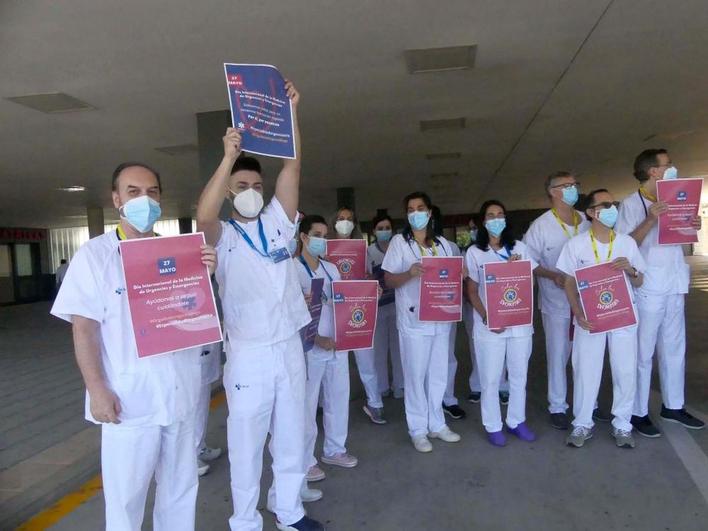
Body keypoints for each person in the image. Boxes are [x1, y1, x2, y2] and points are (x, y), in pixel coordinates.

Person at [51, 162, 215, 530]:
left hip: (180, 392)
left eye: (152, 192)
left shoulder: (181, 253)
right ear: (116, 199)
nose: (145, 199)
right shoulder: (95, 255)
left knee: (180, 490)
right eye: (133, 191)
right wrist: (96, 389)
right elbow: (84, 328)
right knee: (126, 499)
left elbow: (194, 315)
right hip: (129, 397)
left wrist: (206, 275)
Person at [196, 80, 325, 531]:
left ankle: (289, 511)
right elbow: (204, 217)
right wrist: (228, 158)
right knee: (247, 442)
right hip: (248, 354)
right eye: (241, 185)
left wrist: (290, 115)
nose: (251, 189)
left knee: (290, 436)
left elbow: (293, 167)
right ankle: (245, 521)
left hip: (289, 346)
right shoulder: (224, 235)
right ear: (231, 191)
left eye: (256, 183)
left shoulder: (278, 221)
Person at [616, 149, 705, 437]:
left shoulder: (678, 196)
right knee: (643, 352)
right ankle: (638, 411)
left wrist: (693, 225)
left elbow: (681, 233)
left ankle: (674, 405)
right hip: (648, 286)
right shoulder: (632, 204)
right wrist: (650, 219)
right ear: (653, 171)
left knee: (674, 347)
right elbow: (625, 245)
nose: (673, 168)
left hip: (674, 282)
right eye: (667, 165)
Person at [557, 189, 646, 449]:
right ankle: (582, 423)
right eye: (605, 204)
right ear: (591, 212)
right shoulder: (576, 245)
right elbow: (568, 283)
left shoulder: (626, 243)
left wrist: (629, 269)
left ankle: (623, 425)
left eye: (613, 203)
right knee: (586, 370)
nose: (611, 208)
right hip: (590, 318)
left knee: (625, 370)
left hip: (622, 316)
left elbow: (639, 281)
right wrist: (577, 312)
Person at [382, 191, 462, 452]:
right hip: (414, 319)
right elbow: (388, 280)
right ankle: (418, 429)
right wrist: (410, 272)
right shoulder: (399, 242)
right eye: (410, 209)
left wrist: (460, 275)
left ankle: (437, 424)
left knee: (438, 373)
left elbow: (452, 278)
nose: (416, 213)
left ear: (429, 212)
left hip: (441, 317)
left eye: (420, 208)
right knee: (415, 375)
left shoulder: (443, 244)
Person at [523, 171, 595, 430]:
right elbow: (527, 262)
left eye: (576, 184)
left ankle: (588, 405)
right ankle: (558, 406)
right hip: (556, 302)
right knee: (558, 353)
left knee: (586, 353)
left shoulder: (585, 222)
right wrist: (550, 274)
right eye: (567, 185)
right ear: (553, 191)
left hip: (587, 300)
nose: (573, 189)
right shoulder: (541, 226)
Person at [465, 200, 538, 447]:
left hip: (519, 324)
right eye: (490, 215)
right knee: (491, 379)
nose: (496, 219)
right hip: (490, 326)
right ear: (483, 221)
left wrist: (515, 269)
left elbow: (529, 284)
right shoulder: (475, 252)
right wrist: (488, 317)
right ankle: (493, 425)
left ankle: (516, 421)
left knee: (519, 376)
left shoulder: (520, 247)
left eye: (500, 214)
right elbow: (472, 291)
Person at [295, 215, 358, 491]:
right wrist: (316, 337)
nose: (321, 239)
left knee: (338, 397)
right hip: (309, 347)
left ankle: (334, 449)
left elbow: (344, 303)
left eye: (324, 234)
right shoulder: (291, 270)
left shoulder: (332, 269)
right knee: (307, 405)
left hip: (337, 344)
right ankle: (305, 459)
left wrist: (367, 298)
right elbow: (289, 313)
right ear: (304, 238)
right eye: (316, 234)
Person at [330, 206, 385, 424]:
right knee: (336, 366)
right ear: (334, 222)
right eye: (340, 218)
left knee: (367, 362)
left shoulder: (365, 251)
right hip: (334, 314)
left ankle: (375, 404)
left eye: (349, 219)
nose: (344, 222)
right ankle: (331, 409)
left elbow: (368, 276)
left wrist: (373, 287)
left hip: (359, 309)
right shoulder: (325, 248)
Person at [463, 219, 510, 405]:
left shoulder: (513, 248)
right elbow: (469, 285)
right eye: (471, 228)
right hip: (476, 306)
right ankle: (477, 385)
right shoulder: (471, 250)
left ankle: (503, 386)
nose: (474, 230)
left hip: (507, 305)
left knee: (505, 349)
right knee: (478, 349)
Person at [430, 205, 466, 420]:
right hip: (423, 310)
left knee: (447, 355)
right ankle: (429, 402)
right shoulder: (410, 245)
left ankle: (448, 399)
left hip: (446, 308)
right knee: (426, 360)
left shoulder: (450, 246)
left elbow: (459, 277)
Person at [367, 214, 403, 401]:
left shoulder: (399, 249)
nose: (384, 231)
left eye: (387, 227)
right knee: (379, 349)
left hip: (398, 304)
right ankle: (381, 386)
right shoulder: (369, 252)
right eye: (380, 228)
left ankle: (400, 385)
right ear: (374, 231)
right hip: (377, 307)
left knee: (398, 348)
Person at [195, 341, 223, 477]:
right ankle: (189, 456)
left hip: (203, 332)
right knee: (195, 396)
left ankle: (199, 446)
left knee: (203, 390)